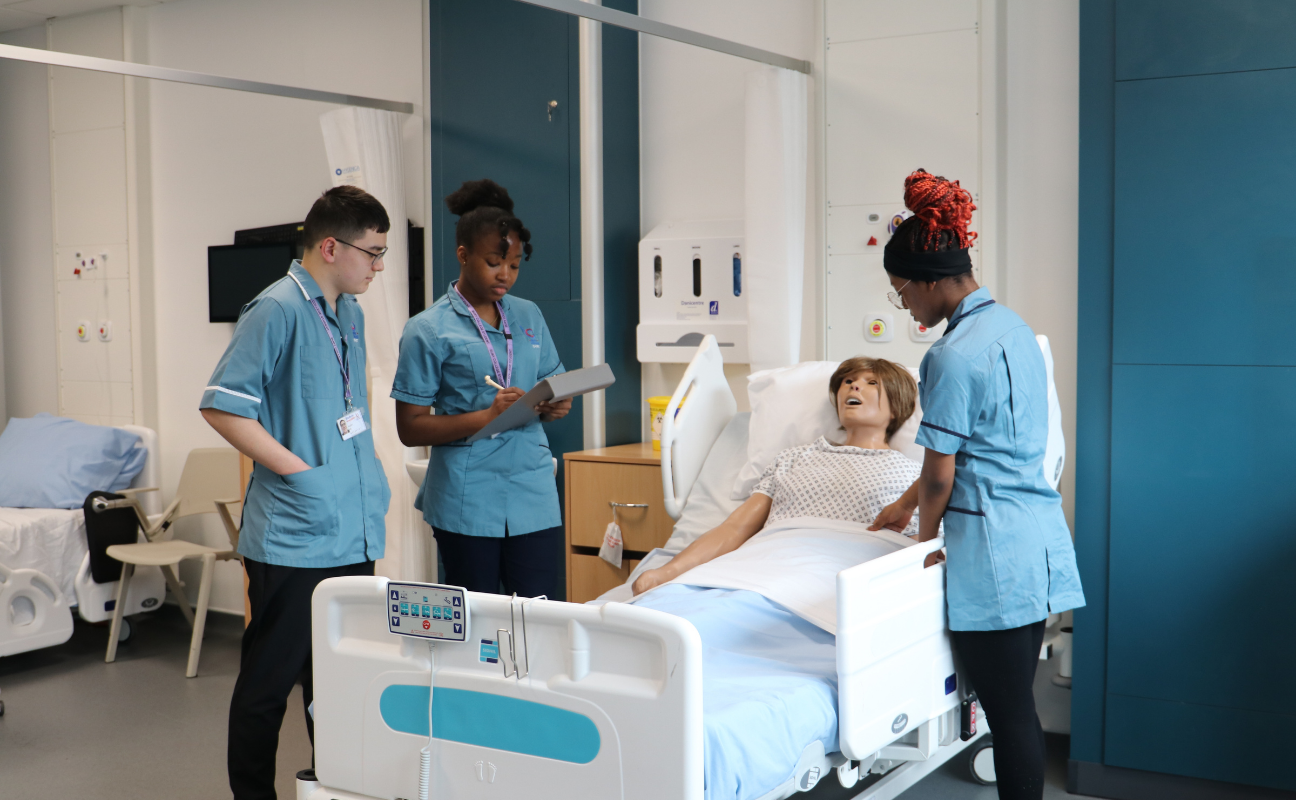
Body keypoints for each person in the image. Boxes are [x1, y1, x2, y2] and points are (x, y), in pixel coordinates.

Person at [870, 169, 1085, 800]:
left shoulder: (951, 355)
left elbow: (942, 472)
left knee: (1010, 713)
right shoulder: (1015, 330)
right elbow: (977, 446)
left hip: (991, 556)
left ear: (931, 281)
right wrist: (901, 503)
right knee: (1020, 705)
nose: (904, 305)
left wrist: (922, 542)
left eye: (902, 291)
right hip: (1037, 540)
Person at [200, 185, 392, 800]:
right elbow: (222, 408)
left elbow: (345, 408)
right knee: (267, 685)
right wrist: (300, 473)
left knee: (336, 682)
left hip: (351, 527)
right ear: (331, 246)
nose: (379, 267)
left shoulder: (350, 314)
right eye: (373, 253)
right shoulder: (276, 309)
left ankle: (331, 784)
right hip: (294, 536)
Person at [392, 179, 570, 598]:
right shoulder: (428, 329)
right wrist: (486, 417)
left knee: (539, 615)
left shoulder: (528, 314)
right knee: (475, 621)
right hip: (467, 497)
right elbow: (410, 428)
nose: (505, 275)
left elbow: (552, 380)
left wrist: (556, 403)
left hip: (532, 489)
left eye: (514, 264)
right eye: (494, 262)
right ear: (463, 255)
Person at [632, 357, 923, 595]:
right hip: (761, 566)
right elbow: (735, 528)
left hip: (830, 581)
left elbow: (924, 547)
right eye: (848, 382)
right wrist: (666, 573)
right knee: (677, 607)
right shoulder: (792, 458)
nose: (854, 387)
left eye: (871, 383)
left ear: (897, 406)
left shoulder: (916, 478)